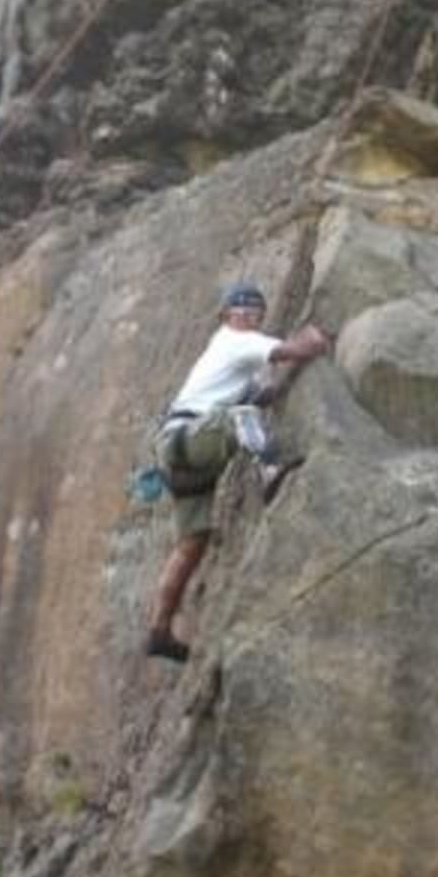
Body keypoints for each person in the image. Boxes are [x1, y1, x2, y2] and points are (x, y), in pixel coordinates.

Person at [146, 282, 330, 662]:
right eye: (242, 310)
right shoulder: (236, 341)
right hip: (190, 438)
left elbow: (260, 391)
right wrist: (316, 337)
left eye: (254, 312)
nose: (248, 316)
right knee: (242, 416)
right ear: (228, 315)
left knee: (191, 543)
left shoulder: (226, 349)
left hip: (180, 449)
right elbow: (294, 351)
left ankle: (159, 631)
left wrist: (270, 389)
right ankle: (270, 470)